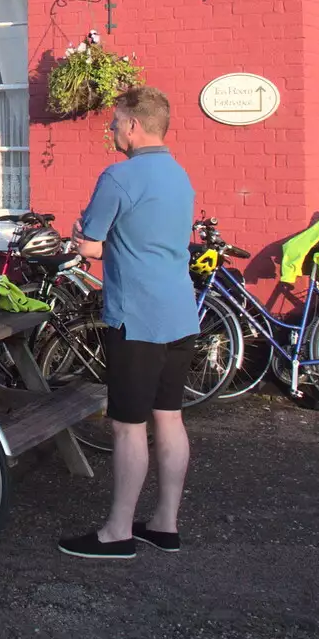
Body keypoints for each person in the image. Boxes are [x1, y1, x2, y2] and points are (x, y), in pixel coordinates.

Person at [59, 86, 198, 560]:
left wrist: (83, 237)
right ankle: (164, 523)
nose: (112, 130)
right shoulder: (181, 177)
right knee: (170, 418)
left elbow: (90, 242)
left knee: (128, 426)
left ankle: (117, 532)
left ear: (134, 126)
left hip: (136, 319)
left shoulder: (119, 177)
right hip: (181, 314)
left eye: (115, 122)